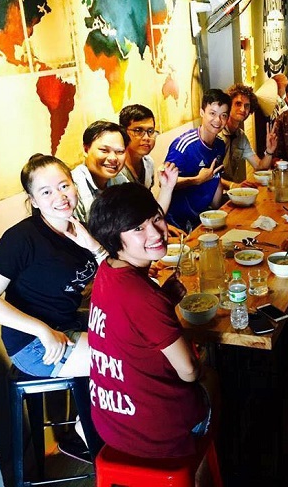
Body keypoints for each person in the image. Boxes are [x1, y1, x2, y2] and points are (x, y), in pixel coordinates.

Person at [0, 154, 106, 461]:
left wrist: (95, 247)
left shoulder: (78, 228)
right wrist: (42, 330)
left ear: (74, 185)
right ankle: (93, 443)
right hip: (34, 344)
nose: (60, 196)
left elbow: (107, 275)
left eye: (64, 185)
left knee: (132, 344)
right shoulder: (21, 239)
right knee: (120, 360)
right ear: (32, 199)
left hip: (68, 328)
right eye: (46, 192)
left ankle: (90, 436)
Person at [87, 183, 218, 484]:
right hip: (155, 434)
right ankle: (200, 473)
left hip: (110, 422)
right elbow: (188, 372)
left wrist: (165, 299)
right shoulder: (143, 297)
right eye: (137, 228)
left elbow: (132, 325)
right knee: (211, 378)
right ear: (114, 237)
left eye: (155, 218)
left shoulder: (107, 271)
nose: (156, 233)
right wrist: (161, 304)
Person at [164, 89, 230, 231]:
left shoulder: (219, 145)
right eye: (212, 113)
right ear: (202, 112)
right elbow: (165, 182)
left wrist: (218, 211)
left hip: (203, 217)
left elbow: (215, 180)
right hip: (177, 222)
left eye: (223, 115)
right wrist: (197, 180)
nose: (218, 120)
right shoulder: (184, 145)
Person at [219, 83, 276, 188]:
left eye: (247, 106)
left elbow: (259, 167)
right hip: (211, 195)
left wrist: (269, 151)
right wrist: (233, 186)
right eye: (238, 104)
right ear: (228, 105)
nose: (242, 109)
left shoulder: (241, 136)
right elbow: (209, 175)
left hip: (229, 193)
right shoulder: (217, 132)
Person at [71, 120, 130, 223]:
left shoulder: (120, 180)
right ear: (86, 150)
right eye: (104, 150)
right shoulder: (73, 187)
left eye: (119, 152)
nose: (113, 158)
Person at [118, 104, 159, 189]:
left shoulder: (149, 163)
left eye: (150, 131)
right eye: (138, 131)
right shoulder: (116, 168)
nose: (146, 138)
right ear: (123, 131)